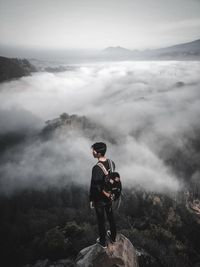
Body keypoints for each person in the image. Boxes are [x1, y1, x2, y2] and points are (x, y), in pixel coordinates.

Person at [89, 142, 117, 248]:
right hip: (109, 196)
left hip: (100, 199)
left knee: (101, 220)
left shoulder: (96, 168)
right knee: (111, 217)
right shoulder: (111, 162)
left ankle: (103, 241)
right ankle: (113, 237)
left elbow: (95, 186)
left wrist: (91, 199)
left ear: (98, 153)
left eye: (94, 151)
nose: (92, 152)